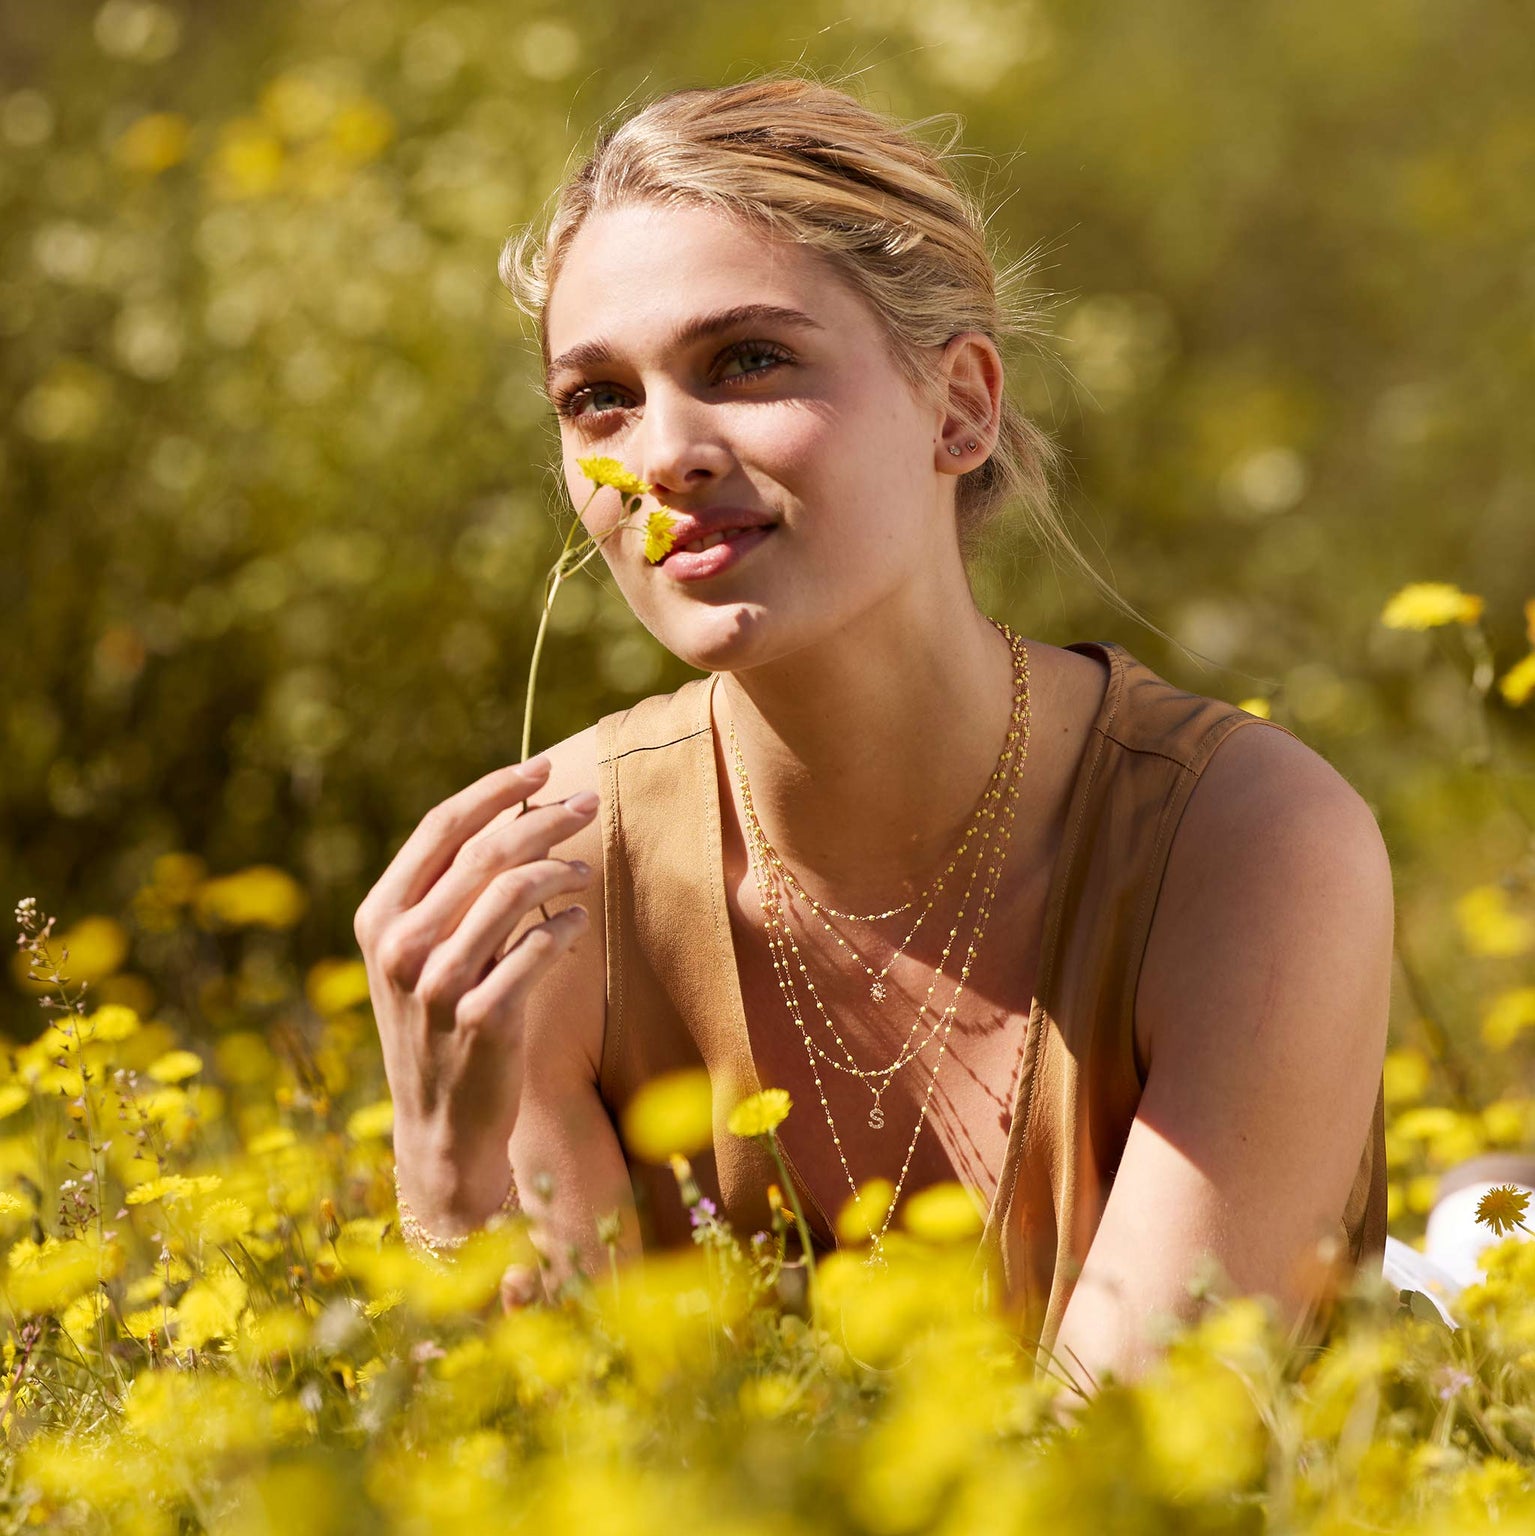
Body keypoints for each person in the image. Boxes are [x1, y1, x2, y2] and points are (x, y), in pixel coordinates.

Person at [354, 73, 1393, 1400]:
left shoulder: (1245, 844)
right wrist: (449, 1183)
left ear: (959, 406)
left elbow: (1123, 1464)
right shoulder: (546, 886)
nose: (664, 454)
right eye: (598, 398)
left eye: (748, 360)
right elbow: (536, 1456)